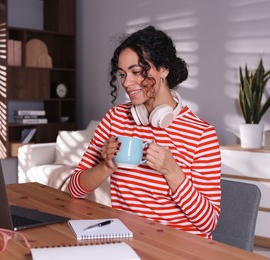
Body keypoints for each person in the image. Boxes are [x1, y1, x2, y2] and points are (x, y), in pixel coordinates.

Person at [68, 26, 221, 239]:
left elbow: (208, 224)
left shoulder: (201, 134)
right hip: (129, 242)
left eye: (136, 72)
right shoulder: (115, 119)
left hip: (180, 248)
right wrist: (106, 166)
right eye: (122, 74)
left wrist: (172, 171)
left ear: (163, 69)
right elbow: (75, 190)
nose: (126, 83)